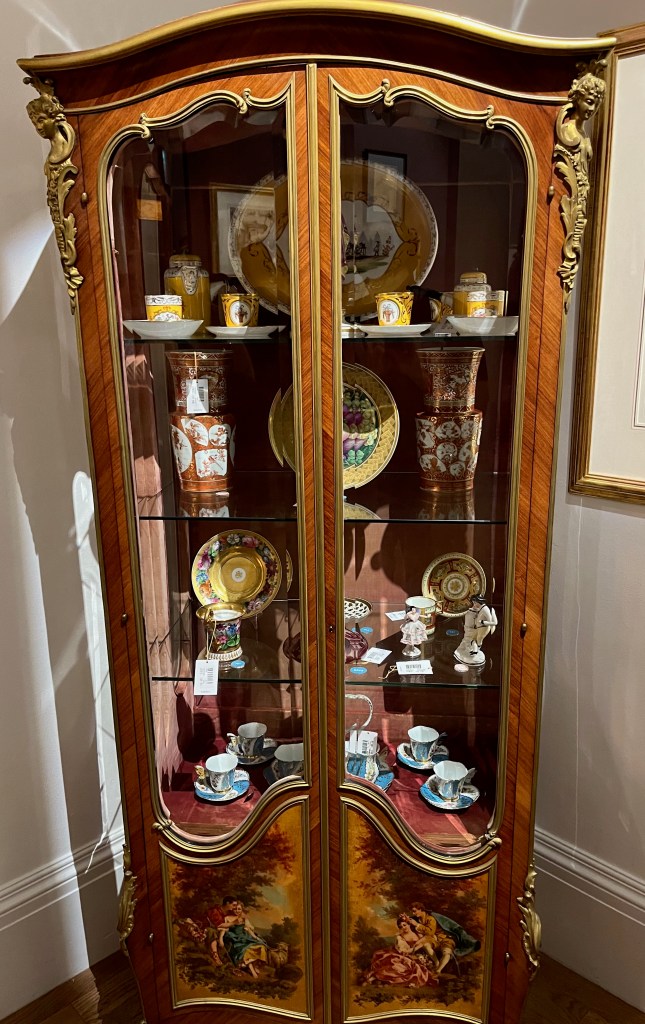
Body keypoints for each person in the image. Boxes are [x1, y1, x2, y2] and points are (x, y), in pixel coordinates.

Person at [454, 594, 497, 666]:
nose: (474, 604)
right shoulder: (481, 608)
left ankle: (475, 652)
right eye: (473, 603)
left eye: (475, 602)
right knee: (473, 641)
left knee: (478, 640)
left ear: (479, 601)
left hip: (483, 628)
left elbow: (493, 622)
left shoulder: (485, 609)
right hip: (478, 628)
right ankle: (474, 652)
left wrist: (483, 622)